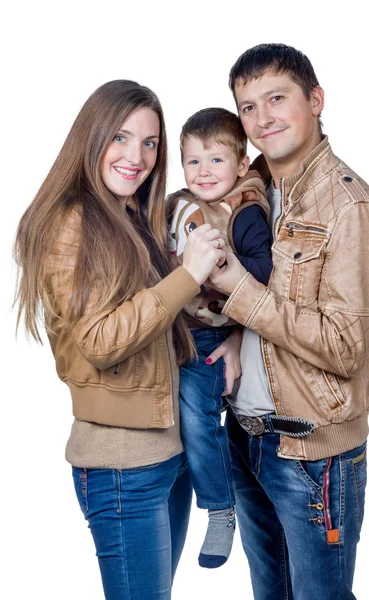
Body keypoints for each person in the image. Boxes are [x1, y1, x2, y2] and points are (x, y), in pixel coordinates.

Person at [13, 79, 239, 600]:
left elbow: (165, 323)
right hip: (121, 465)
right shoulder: (72, 222)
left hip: (172, 453)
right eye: (121, 137)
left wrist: (234, 341)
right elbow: (99, 339)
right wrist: (187, 274)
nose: (136, 156)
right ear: (91, 138)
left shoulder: (133, 216)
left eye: (150, 143)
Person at [207, 43, 369, 599]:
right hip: (246, 442)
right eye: (247, 107)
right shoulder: (248, 190)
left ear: (315, 101)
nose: (262, 118)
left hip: (313, 455)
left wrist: (239, 293)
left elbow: (346, 346)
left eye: (276, 98)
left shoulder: (349, 209)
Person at [167, 107, 273, 568]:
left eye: (215, 161)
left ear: (241, 165)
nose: (203, 172)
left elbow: (267, 276)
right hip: (173, 327)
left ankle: (218, 507)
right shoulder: (182, 202)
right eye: (193, 161)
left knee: (197, 419)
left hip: (210, 338)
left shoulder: (244, 211)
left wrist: (225, 267)